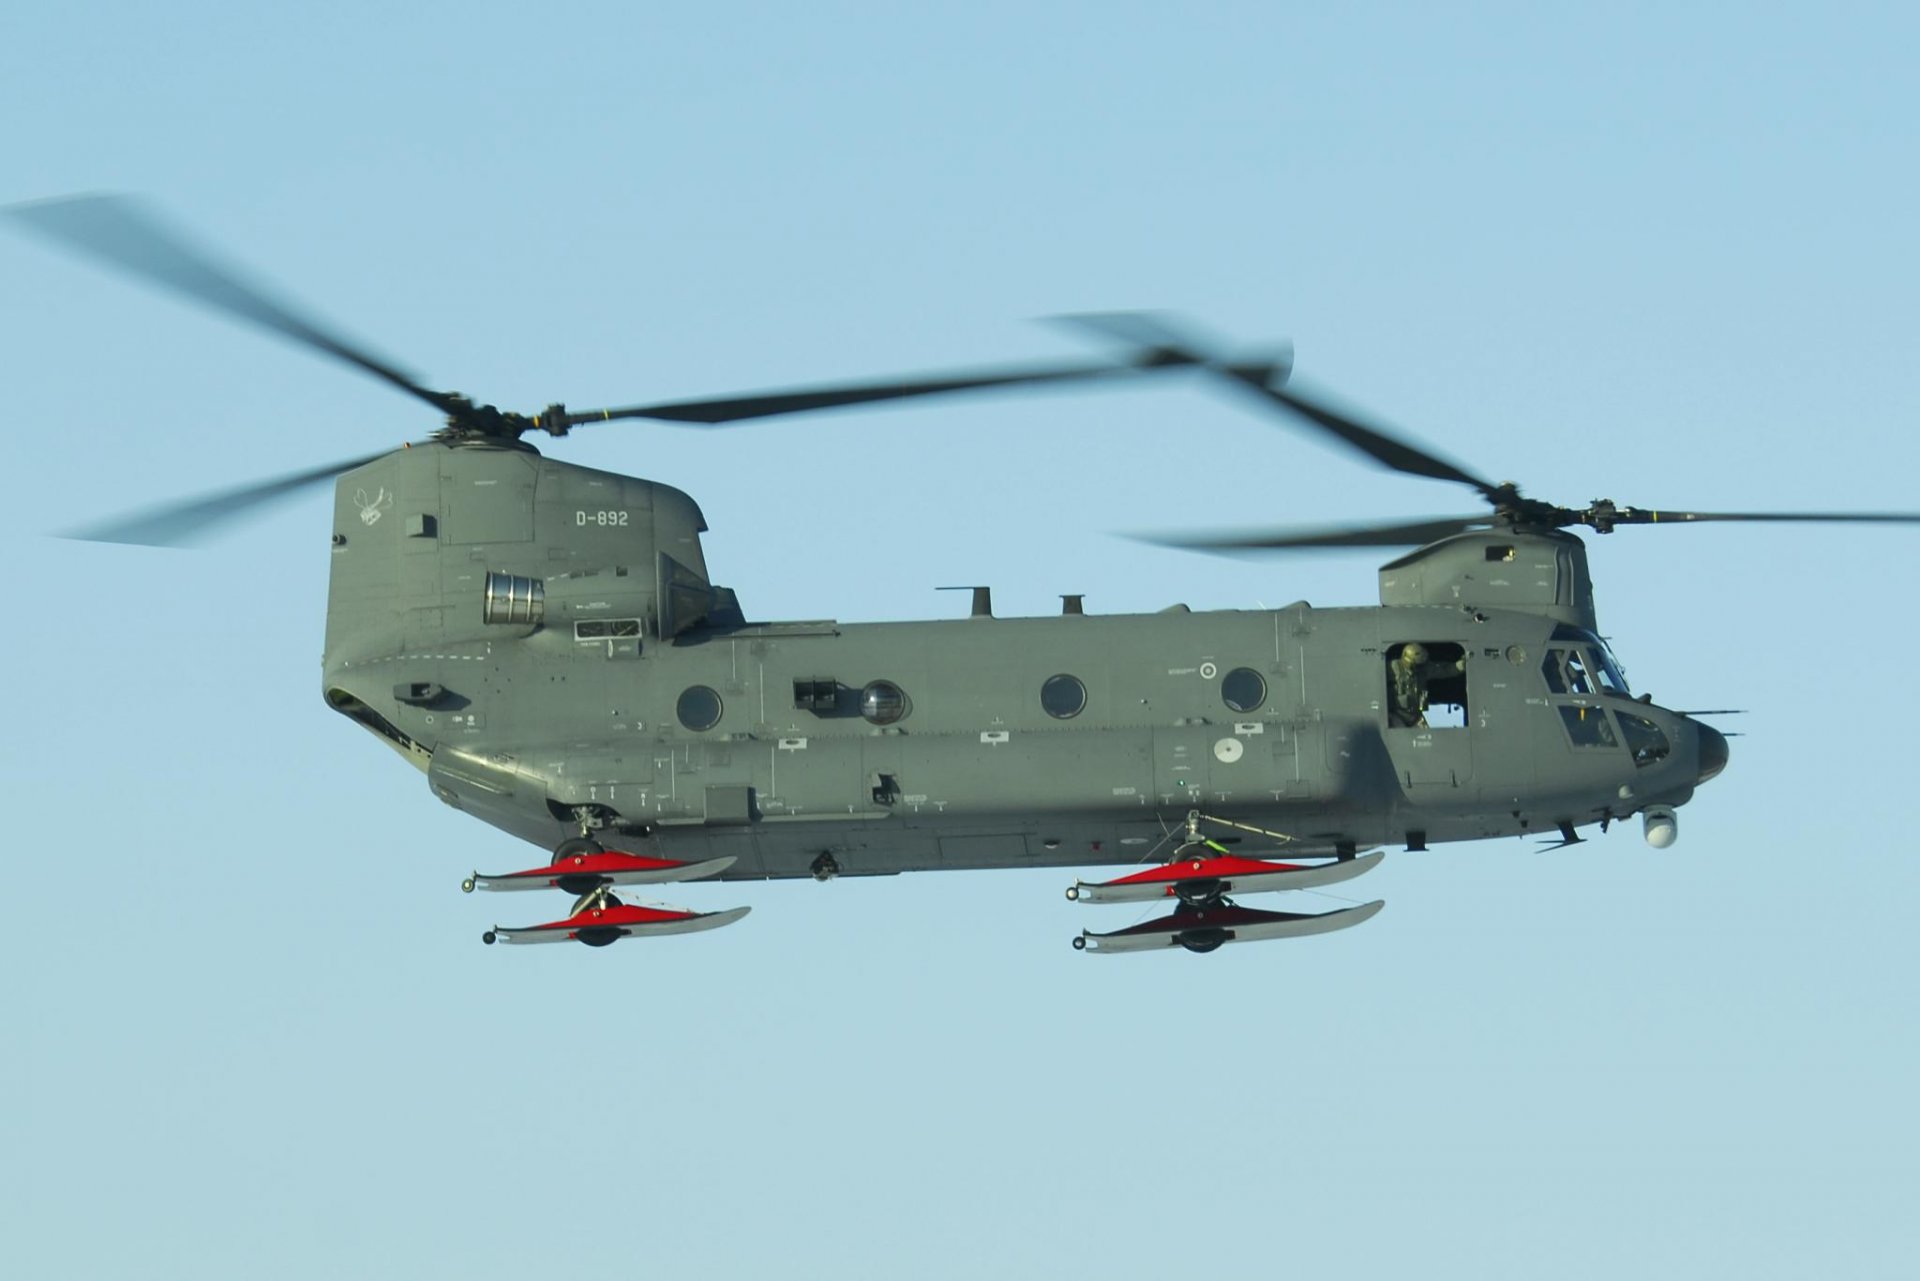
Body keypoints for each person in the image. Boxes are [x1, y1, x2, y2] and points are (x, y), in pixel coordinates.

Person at [1388, 642, 1465, 728]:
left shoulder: (1423, 670)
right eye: (1418, 665)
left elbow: (1444, 670)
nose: (1422, 667)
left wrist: (1461, 665)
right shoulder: (1392, 668)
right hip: (1397, 715)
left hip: (1415, 717)